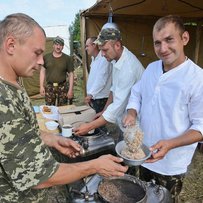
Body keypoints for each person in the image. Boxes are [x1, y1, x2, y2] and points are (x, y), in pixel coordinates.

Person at [0, 13, 128, 203]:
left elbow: (22, 132)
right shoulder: (3, 101)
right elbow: (42, 176)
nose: (42, 61)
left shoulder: (12, 83)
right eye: (37, 52)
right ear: (11, 45)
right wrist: (95, 166)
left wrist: (53, 139)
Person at [123, 15, 203, 201]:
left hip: (170, 165)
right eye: (157, 43)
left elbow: (200, 127)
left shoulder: (197, 78)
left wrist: (170, 144)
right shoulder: (151, 68)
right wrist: (132, 112)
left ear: (184, 38)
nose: (163, 48)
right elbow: (137, 93)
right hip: (142, 154)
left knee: (163, 199)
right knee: (141, 197)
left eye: (169, 40)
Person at [74, 28, 144, 140]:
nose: (102, 54)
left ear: (117, 45)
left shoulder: (128, 68)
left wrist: (89, 127)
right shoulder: (116, 59)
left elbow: (117, 107)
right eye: (101, 50)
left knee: (130, 149)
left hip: (136, 120)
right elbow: (113, 88)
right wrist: (104, 110)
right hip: (126, 116)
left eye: (105, 50)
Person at [40, 36, 74, 106]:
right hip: (50, 87)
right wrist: (41, 86)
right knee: (49, 109)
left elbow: (71, 74)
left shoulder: (67, 58)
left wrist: (70, 90)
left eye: (60, 45)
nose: (58, 47)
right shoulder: (46, 57)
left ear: (63, 47)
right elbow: (42, 71)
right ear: (53, 45)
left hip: (63, 87)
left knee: (63, 109)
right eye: (56, 44)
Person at [85, 37, 112, 113]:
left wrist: (91, 95)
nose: (86, 48)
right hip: (95, 97)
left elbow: (101, 80)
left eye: (87, 46)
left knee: (97, 122)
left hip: (100, 98)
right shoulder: (94, 59)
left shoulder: (103, 59)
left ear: (94, 45)